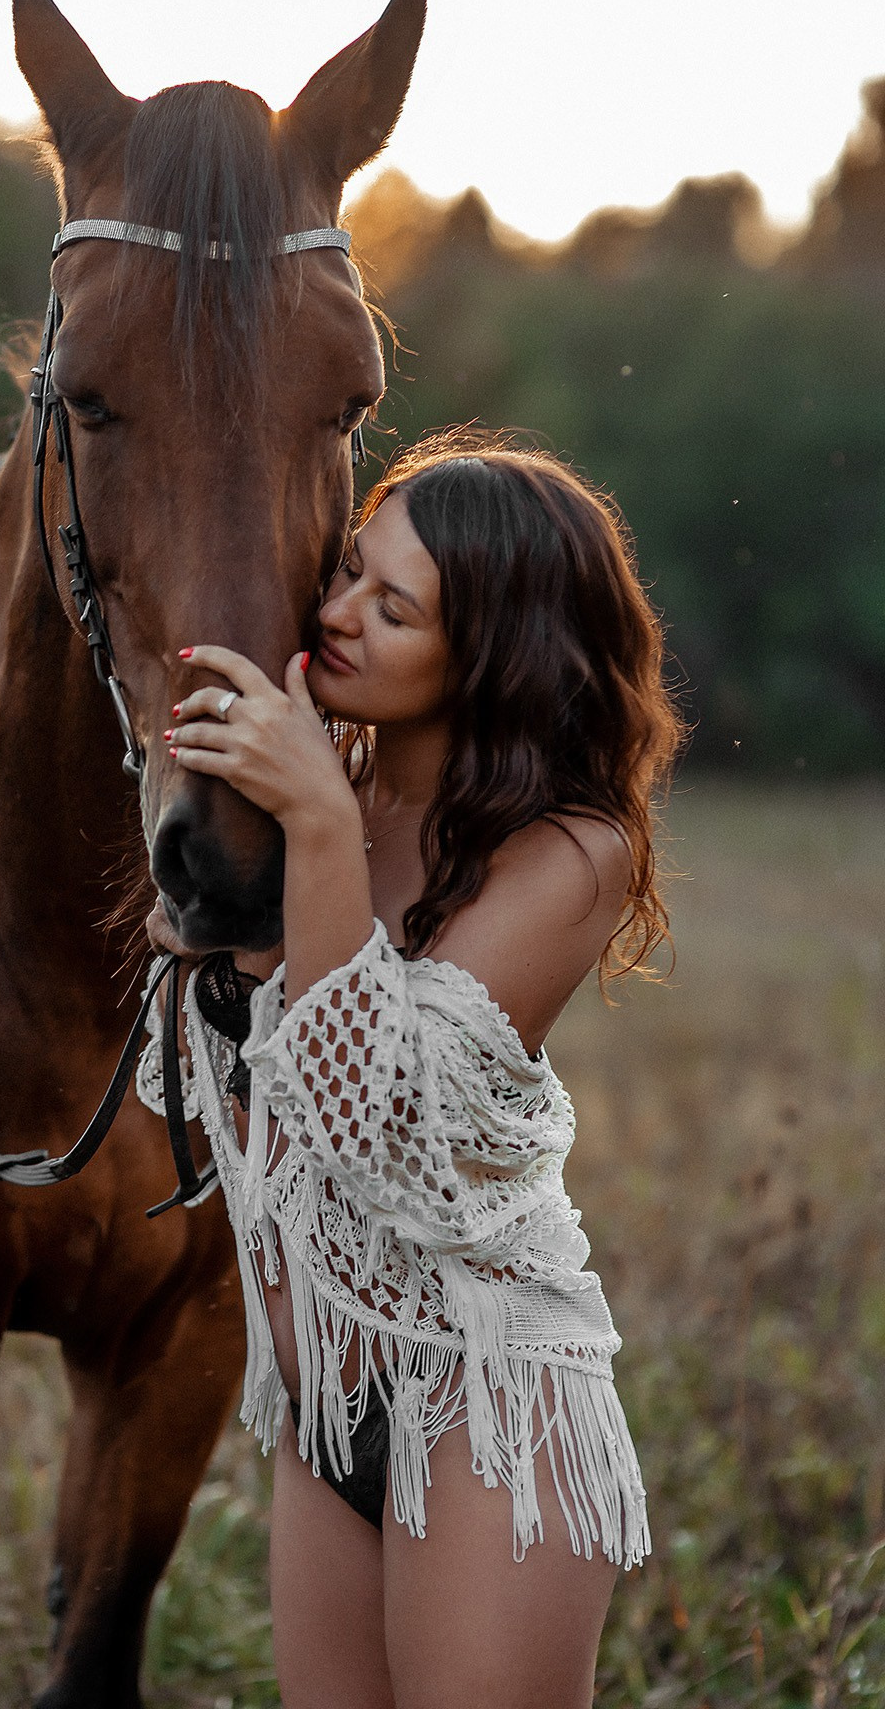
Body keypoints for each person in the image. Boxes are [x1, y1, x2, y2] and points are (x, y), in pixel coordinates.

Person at [142, 431, 684, 1709]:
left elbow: (370, 1129)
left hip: (485, 1396)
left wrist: (318, 829)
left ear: (491, 653)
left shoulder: (569, 853)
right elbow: (228, 1092)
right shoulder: (311, 793)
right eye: (347, 576)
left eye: (392, 608)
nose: (335, 617)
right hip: (317, 1404)